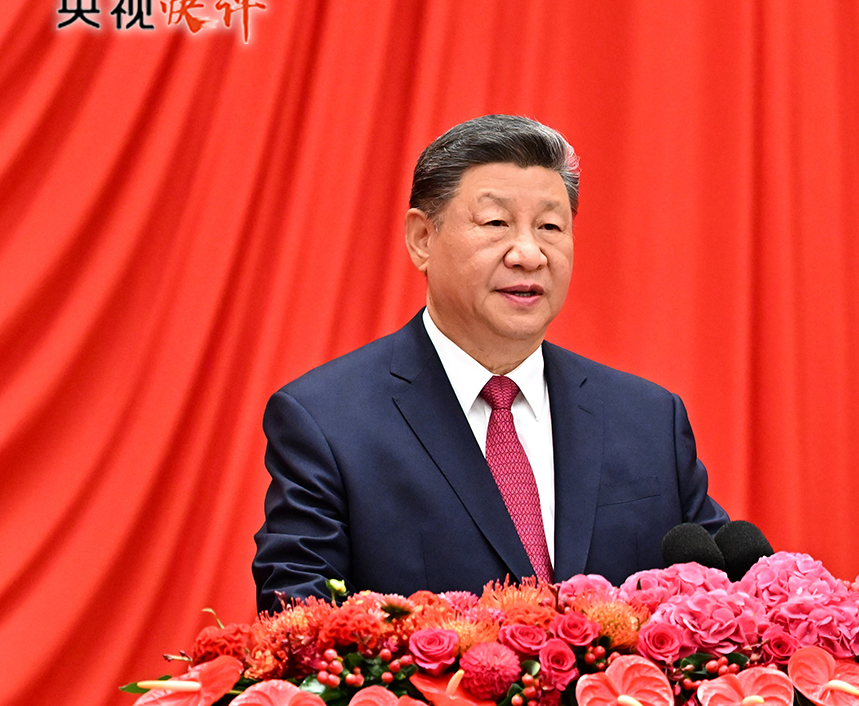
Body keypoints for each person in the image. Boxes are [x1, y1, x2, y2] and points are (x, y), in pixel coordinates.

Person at [252, 115, 728, 611]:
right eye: (497, 223)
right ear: (422, 239)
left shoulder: (648, 419)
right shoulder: (328, 422)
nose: (529, 254)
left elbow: (724, 597)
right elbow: (298, 619)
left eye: (550, 227)